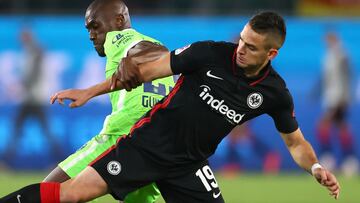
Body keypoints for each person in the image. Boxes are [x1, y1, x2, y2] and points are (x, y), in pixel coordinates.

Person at [1, 11, 340, 203]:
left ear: (271, 54)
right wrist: (91, 91)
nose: (240, 49)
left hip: (189, 164)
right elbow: (143, 71)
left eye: (251, 48)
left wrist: (314, 168)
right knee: (71, 195)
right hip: (146, 146)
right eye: (241, 39)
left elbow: (295, 143)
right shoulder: (209, 53)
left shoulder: (275, 93)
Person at [41, 0, 175, 202]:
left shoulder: (119, 38)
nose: (91, 35)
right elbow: (161, 53)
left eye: (95, 26)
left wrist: (131, 59)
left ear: (119, 20)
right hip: (159, 144)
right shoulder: (153, 44)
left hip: (122, 136)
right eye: (88, 29)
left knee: (48, 192)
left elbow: (148, 50)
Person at [2, 27, 61, 162]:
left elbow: (33, 75)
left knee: (26, 130)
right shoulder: (30, 52)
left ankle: (5, 161)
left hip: (35, 98)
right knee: (20, 130)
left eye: (24, 36)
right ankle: (6, 161)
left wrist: (19, 86)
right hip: (30, 98)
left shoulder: (35, 52)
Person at [316, 31, 358, 176]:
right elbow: (326, 78)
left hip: (338, 98)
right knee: (341, 127)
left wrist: (345, 97)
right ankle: (349, 161)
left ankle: (330, 159)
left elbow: (347, 76)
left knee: (324, 126)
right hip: (330, 97)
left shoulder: (342, 54)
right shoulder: (329, 55)